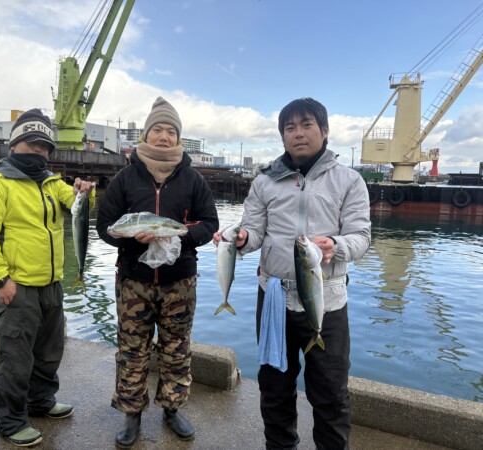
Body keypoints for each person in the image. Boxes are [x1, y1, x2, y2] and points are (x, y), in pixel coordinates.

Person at [213, 98, 371, 449]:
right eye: (289, 127)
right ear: (282, 136)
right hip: (273, 300)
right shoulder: (265, 181)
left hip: (327, 302)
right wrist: (240, 239)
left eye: (306, 124)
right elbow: (254, 231)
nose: (298, 133)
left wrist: (335, 245)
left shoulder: (349, 180)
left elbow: (361, 238)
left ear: (325, 130)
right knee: (275, 390)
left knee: (330, 394)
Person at [97, 97, 219, 448]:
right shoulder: (124, 178)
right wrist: (132, 240)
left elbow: (209, 223)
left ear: (178, 137)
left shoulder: (193, 180)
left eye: (170, 131)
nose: (164, 136)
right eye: (157, 129)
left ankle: (172, 408)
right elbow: (104, 226)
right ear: (146, 134)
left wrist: (181, 239)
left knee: (176, 348)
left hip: (179, 280)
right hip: (134, 280)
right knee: (132, 348)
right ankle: (131, 412)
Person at [0, 108, 94, 447]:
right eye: (32, 143)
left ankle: (41, 402)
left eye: (44, 146)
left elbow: (78, 205)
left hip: (51, 283)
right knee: (14, 357)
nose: (39, 151)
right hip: (17, 286)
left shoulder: (53, 184)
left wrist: (85, 190)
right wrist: (0, 280)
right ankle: (10, 422)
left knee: (50, 351)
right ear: (14, 144)